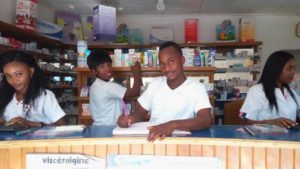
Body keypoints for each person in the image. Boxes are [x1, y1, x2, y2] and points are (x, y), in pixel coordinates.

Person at [117, 41, 212, 141]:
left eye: (171, 61)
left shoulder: (197, 88)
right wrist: (128, 119)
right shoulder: (155, 84)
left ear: (182, 60)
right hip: (154, 140)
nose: (166, 68)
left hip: (183, 142)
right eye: (162, 64)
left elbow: (205, 120)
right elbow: (139, 114)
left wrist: (172, 125)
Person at [0, 51, 65, 127]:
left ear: (31, 72)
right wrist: (3, 122)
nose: (14, 80)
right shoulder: (6, 96)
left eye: (18, 74)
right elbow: (6, 122)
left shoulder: (44, 96)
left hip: (40, 138)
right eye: (9, 76)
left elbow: (61, 125)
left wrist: (31, 124)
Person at [240, 50, 299, 128]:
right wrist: (272, 122)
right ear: (275, 69)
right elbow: (246, 122)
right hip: (265, 138)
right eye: (289, 68)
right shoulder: (257, 91)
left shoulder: (290, 92)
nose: (292, 72)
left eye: (294, 68)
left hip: (289, 138)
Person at [87, 50, 142, 126]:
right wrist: (136, 72)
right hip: (109, 129)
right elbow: (135, 92)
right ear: (94, 71)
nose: (108, 69)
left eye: (109, 65)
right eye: (102, 67)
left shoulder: (95, 85)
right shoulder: (107, 86)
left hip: (98, 127)